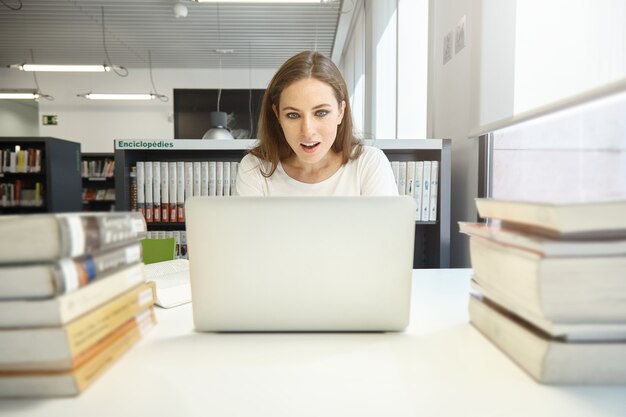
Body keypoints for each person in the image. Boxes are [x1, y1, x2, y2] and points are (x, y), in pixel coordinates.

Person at [235, 50, 398, 196]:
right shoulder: (255, 167)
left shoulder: (369, 164)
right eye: (293, 115)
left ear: (341, 112)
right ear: (277, 115)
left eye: (321, 113)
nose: (307, 131)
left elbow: (387, 230)